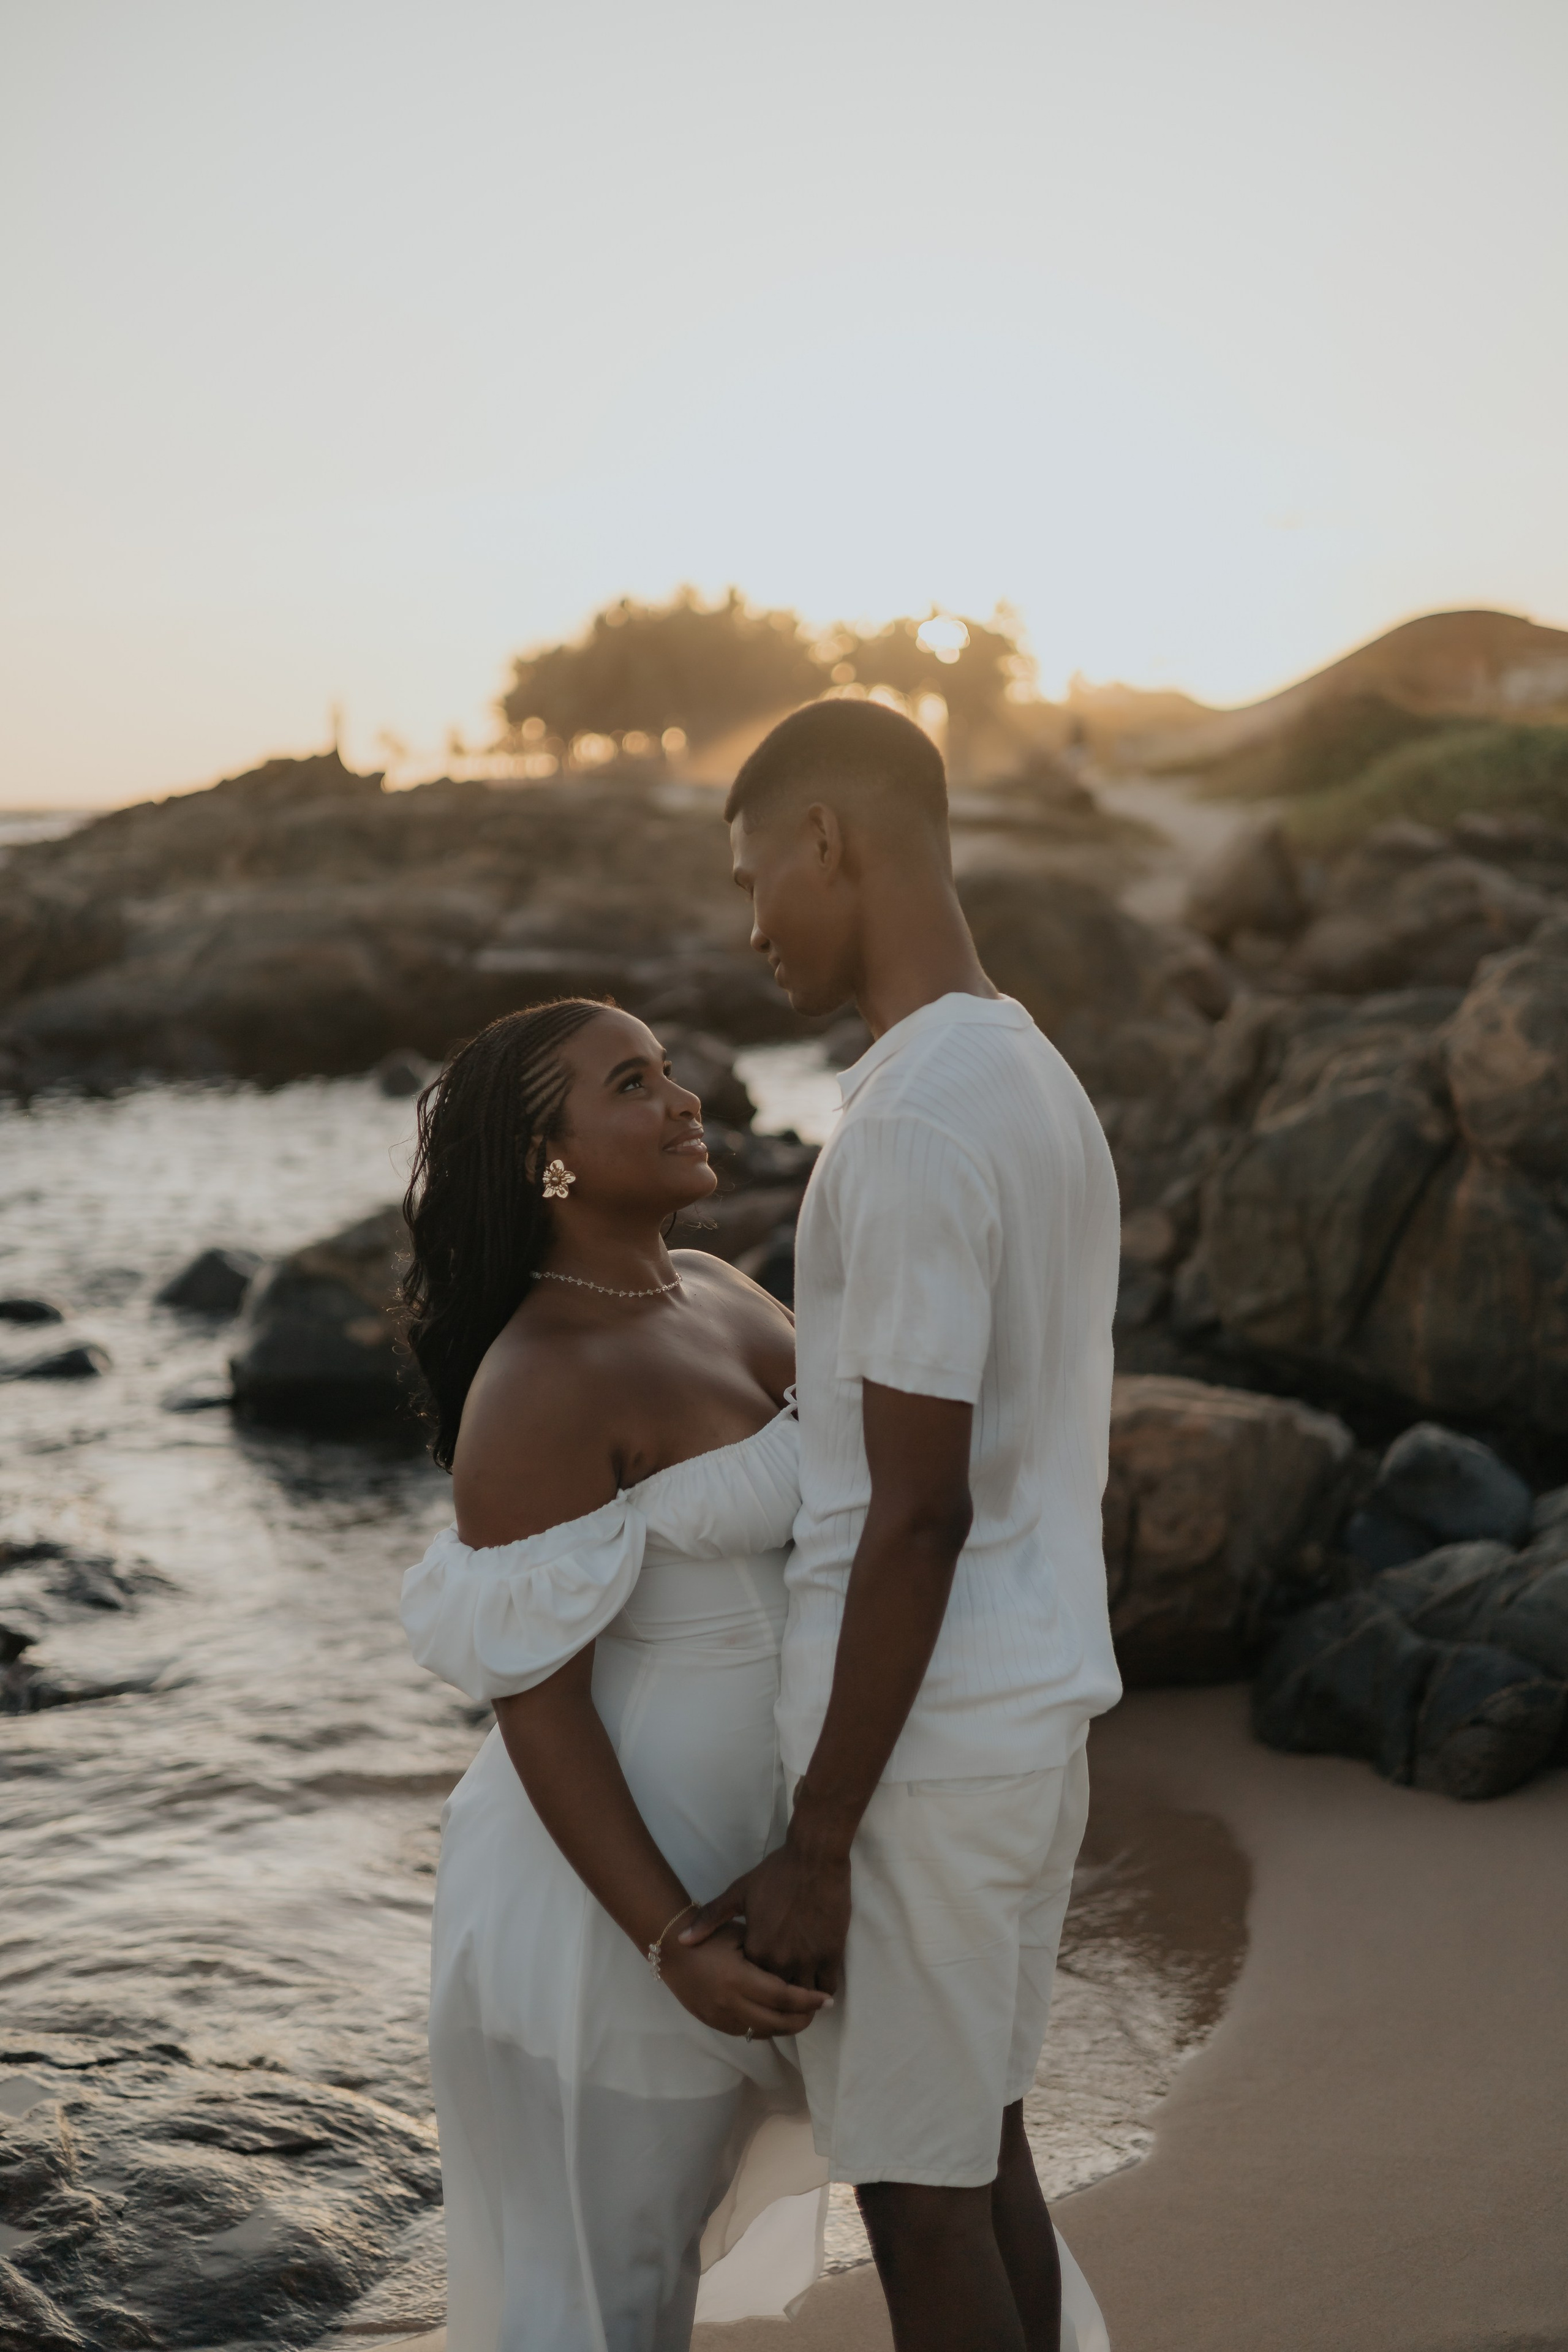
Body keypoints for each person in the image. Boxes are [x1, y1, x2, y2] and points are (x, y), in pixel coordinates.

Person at [684, 697, 1123, 2352]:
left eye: (755, 881)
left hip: (925, 1767)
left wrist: (819, 1840)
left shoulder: (920, 1121)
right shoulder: (1027, 1075)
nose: (753, 928)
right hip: (1017, 1727)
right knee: (977, 2159)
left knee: (923, 2207)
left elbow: (918, 1508)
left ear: (829, 840)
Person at [396, 998, 832, 2351]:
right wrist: (672, 1940)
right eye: (632, 1085)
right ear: (550, 1160)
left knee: (649, 2284)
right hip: (607, 1904)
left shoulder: (714, 1287)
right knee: (605, 2303)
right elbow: (538, 1705)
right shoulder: (540, 1377)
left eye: (668, 1070)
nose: (686, 1100)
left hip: (763, 1852)